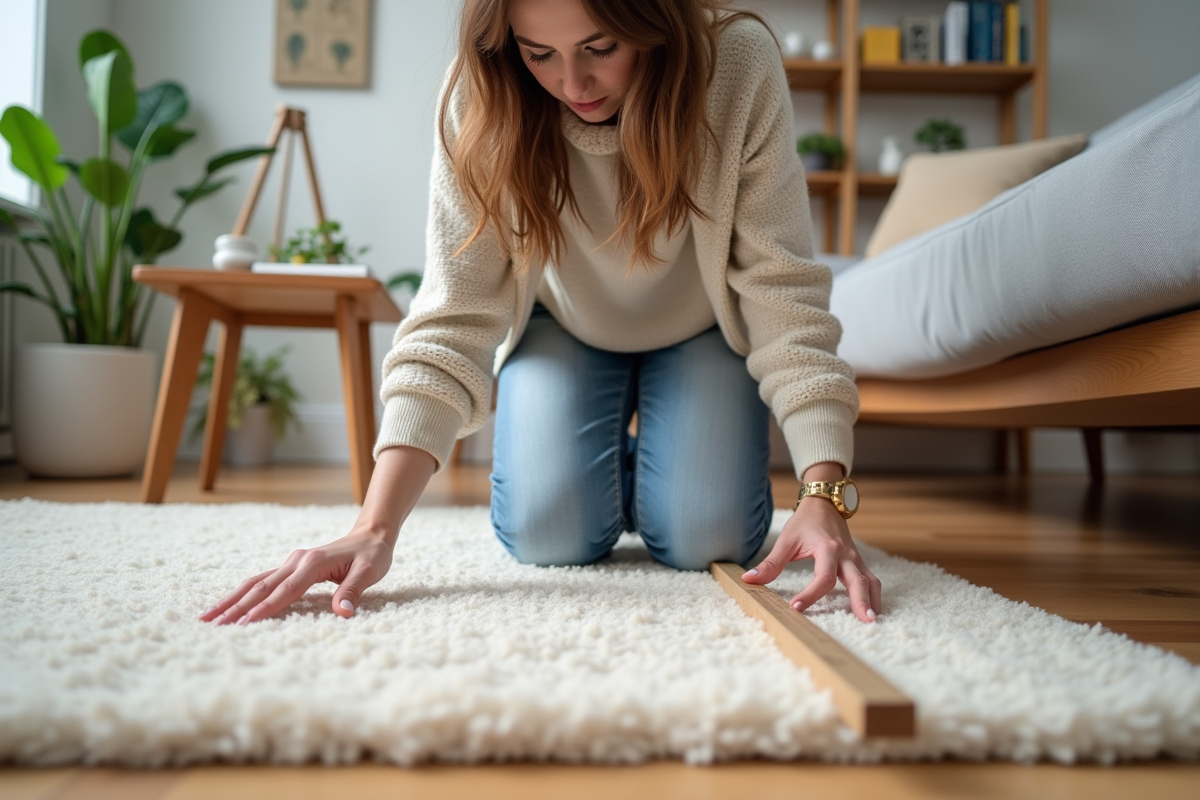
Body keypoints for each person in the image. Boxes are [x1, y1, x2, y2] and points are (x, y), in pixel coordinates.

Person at [200, 0, 882, 629]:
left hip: (706, 329)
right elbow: (453, 319)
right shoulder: (483, 93)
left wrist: (825, 496)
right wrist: (375, 528)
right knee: (546, 533)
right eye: (539, 53)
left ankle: (661, 464)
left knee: (709, 535)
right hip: (564, 325)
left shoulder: (736, 62)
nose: (573, 82)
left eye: (600, 46)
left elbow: (781, 291)